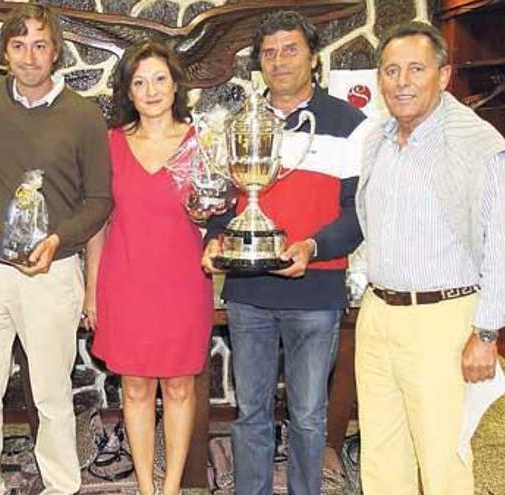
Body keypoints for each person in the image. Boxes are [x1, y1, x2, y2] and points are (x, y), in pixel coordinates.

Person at [355, 21, 505, 495]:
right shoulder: (378, 140)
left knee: (442, 460)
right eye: (391, 70)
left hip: (443, 323)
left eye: (416, 69)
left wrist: (486, 333)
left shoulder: (476, 145)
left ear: (443, 75)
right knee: (381, 456)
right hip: (378, 315)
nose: (402, 81)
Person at [201, 10, 366, 495]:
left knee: (309, 416)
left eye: (290, 49)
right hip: (248, 292)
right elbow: (224, 198)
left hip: (315, 293)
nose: (279, 61)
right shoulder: (240, 125)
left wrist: (314, 247)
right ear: (258, 65)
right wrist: (214, 236)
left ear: (313, 58)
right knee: (249, 411)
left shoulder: (350, 124)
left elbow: (358, 213)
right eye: (268, 53)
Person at [0, 4, 112, 494]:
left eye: (40, 45)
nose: (29, 56)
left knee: (50, 393)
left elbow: (99, 201)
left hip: (53, 272)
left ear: (56, 52)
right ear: (5, 51)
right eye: (19, 45)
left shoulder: (84, 116)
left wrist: (58, 240)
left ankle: (62, 485)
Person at [83, 41, 213, 495]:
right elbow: (97, 223)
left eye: (159, 78)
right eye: (139, 82)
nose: (151, 90)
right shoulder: (111, 144)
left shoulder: (204, 144)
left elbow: (219, 216)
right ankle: (144, 484)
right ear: (128, 92)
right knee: (135, 388)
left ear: (176, 84)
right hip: (126, 282)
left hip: (182, 284)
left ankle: (172, 486)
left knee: (179, 388)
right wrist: (90, 292)